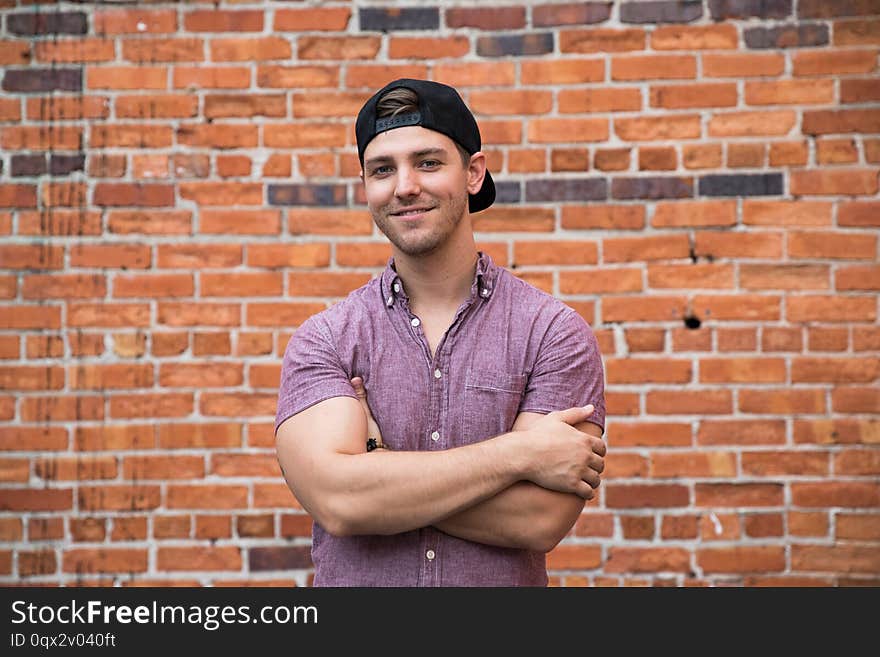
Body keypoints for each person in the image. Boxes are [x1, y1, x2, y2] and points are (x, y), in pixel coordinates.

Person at [274, 78, 606, 586]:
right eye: (383, 169)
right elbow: (341, 503)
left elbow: (538, 520)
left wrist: (379, 474)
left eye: (428, 162)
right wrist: (519, 454)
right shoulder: (327, 340)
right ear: (366, 186)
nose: (405, 185)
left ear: (474, 173)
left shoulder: (553, 334)